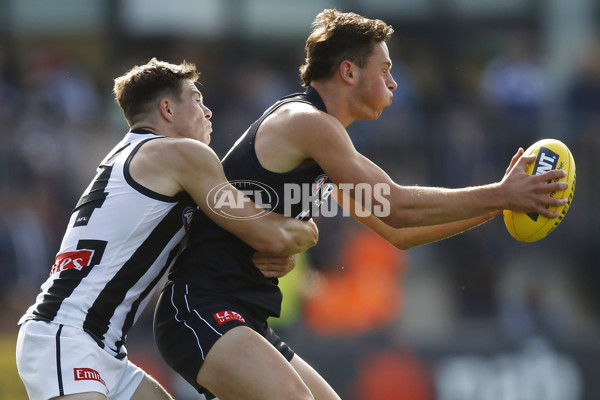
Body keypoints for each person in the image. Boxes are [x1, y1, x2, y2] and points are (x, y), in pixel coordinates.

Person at [154, 9, 569, 400]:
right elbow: (397, 206)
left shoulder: (322, 138)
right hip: (200, 306)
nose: (394, 84)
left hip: (241, 314)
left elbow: (399, 233)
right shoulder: (307, 123)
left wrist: (497, 206)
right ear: (348, 72)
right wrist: (502, 192)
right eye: (385, 70)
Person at [15, 58, 318, 400]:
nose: (208, 113)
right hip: (67, 337)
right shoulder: (181, 155)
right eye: (197, 100)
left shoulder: (128, 156)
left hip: (103, 349)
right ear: (167, 109)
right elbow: (267, 233)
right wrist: (306, 231)